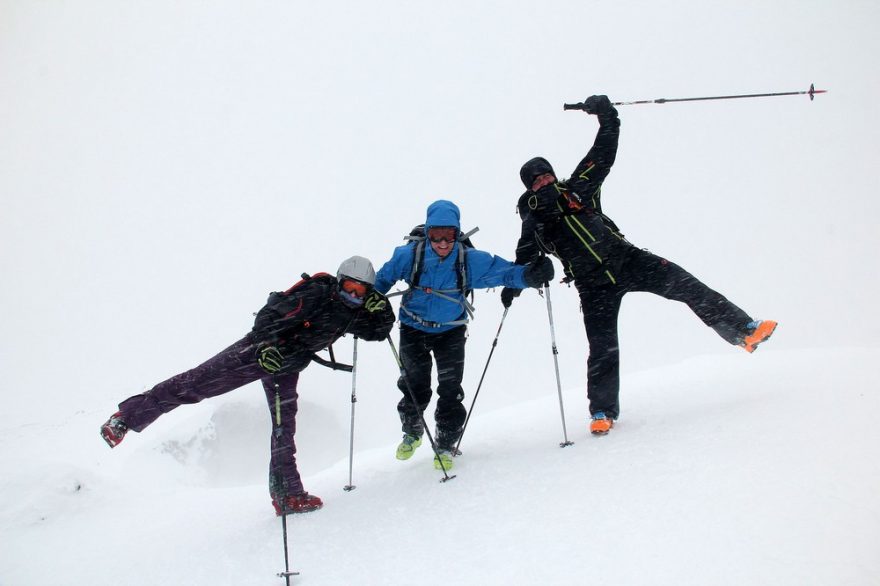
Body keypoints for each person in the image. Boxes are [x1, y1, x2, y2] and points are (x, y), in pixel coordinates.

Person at [503, 94, 777, 436]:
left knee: (686, 285)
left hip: (628, 259)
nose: (544, 182)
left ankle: (744, 331)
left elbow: (603, 154)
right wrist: (515, 282)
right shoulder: (535, 216)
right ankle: (602, 411)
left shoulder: (578, 189)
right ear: (529, 187)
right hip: (592, 284)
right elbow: (526, 253)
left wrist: (607, 116)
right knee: (602, 346)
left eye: (547, 176)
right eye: (536, 180)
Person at [100, 256, 395, 515]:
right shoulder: (317, 294)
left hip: (287, 367)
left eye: (361, 292)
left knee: (284, 430)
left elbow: (378, 332)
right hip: (257, 353)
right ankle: (125, 418)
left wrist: (382, 310)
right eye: (350, 288)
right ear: (340, 281)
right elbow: (268, 315)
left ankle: (288, 495)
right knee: (196, 383)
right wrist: (266, 346)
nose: (354, 295)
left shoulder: (352, 312)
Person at [374, 200, 553, 470]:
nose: (443, 242)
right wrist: (367, 303)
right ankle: (412, 432)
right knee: (413, 386)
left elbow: (502, 272)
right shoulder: (409, 255)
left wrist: (529, 275)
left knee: (450, 389)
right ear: (428, 232)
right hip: (413, 329)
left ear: (458, 234)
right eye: (436, 235)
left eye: (450, 235)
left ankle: (445, 444)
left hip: (451, 332)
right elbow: (381, 280)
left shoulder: (468, 260)